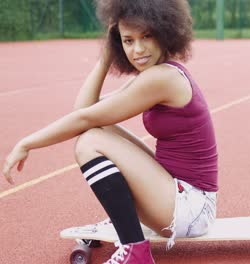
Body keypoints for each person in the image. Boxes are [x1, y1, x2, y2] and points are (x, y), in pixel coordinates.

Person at [2, 0, 218, 263]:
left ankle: (135, 250)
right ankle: (127, 227)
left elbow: (83, 117)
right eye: (127, 40)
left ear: (165, 32)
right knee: (97, 129)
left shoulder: (162, 78)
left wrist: (27, 143)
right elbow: (85, 110)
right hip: (181, 195)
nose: (137, 49)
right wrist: (107, 55)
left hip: (192, 208)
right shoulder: (155, 74)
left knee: (89, 142)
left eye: (146, 37)